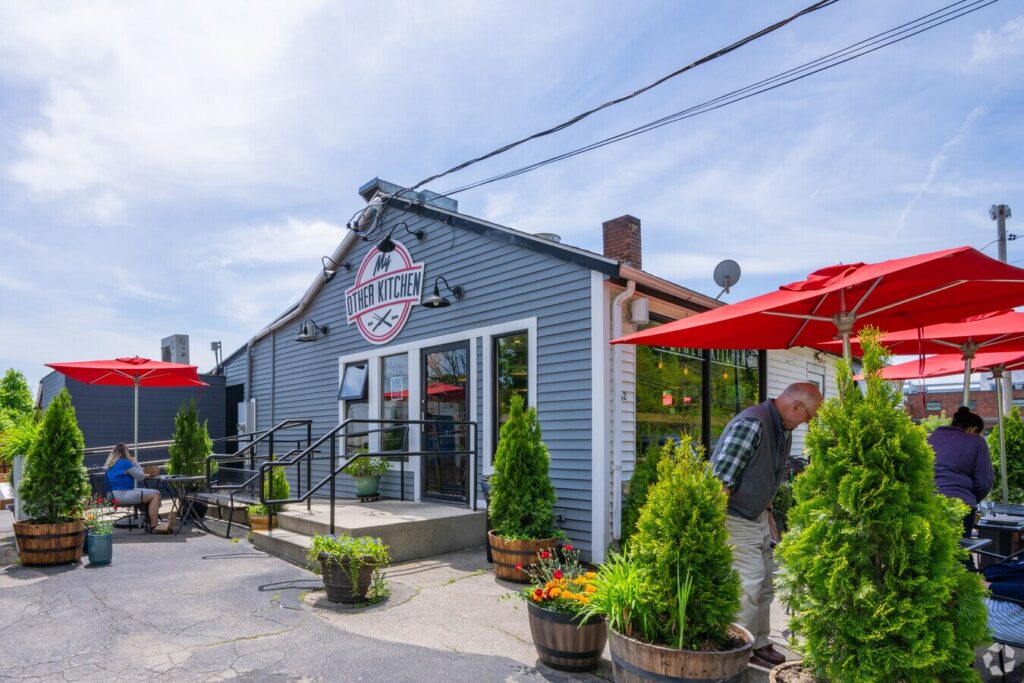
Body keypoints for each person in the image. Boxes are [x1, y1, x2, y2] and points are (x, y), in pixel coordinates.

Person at [710, 382, 823, 669]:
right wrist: (712, 528)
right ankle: (736, 652)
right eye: (810, 417)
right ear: (796, 407)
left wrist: (769, 519)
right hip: (734, 517)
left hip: (757, 516)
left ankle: (757, 641)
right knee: (747, 584)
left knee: (766, 582)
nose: (809, 423)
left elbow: (765, 475)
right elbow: (720, 481)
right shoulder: (753, 424)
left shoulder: (780, 428)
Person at [928, 406, 993, 541]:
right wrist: (971, 499)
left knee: (932, 554)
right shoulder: (977, 441)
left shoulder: (932, 437)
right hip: (960, 505)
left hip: (928, 502)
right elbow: (984, 482)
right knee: (961, 554)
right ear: (973, 429)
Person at [104, 443, 162, 532]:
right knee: (155, 494)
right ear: (125, 452)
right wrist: (135, 463)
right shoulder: (125, 463)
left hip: (111, 495)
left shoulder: (110, 464)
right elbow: (140, 477)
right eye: (129, 451)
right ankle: (154, 525)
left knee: (147, 494)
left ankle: (147, 521)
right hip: (122, 495)